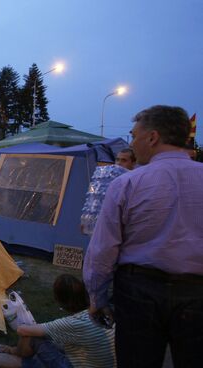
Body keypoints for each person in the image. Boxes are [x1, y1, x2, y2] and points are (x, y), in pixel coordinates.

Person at [83, 105, 203, 367]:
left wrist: (97, 297)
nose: (131, 143)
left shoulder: (127, 183)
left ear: (153, 137)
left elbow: (103, 248)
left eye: (134, 135)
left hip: (140, 292)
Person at [0, 274, 116, 368]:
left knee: (31, 337)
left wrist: (18, 345)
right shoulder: (104, 313)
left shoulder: (73, 323)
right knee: (44, 340)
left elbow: (23, 331)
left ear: (59, 300)